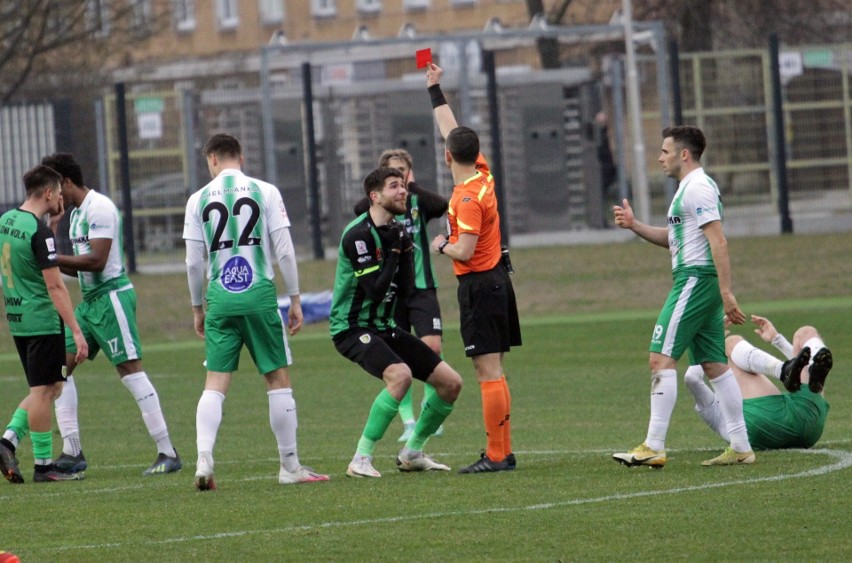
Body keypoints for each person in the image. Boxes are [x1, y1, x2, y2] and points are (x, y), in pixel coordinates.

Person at [184, 133, 329, 490]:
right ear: (241, 158)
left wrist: (197, 307)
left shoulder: (197, 199)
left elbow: (192, 263)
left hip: (219, 296)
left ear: (212, 159)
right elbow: (285, 251)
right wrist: (295, 299)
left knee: (215, 383)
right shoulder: (266, 191)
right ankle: (289, 465)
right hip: (259, 295)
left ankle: (204, 457)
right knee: (277, 379)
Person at [611, 126, 754, 468]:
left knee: (660, 358)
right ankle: (741, 445)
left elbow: (718, 241)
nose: (660, 157)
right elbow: (674, 238)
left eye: (665, 151)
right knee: (715, 366)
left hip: (695, 280)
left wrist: (725, 290)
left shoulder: (698, 188)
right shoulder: (687, 189)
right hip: (697, 280)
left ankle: (654, 445)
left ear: (684, 154)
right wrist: (635, 225)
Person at [41, 153, 181, 476]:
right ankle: (72, 451)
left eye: (52, 187)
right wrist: (49, 257)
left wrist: (50, 257)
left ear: (65, 182)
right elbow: (81, 270)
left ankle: (167, 451)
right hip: (90, 303)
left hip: (112, 298)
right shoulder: (75, 216)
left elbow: (98, 261)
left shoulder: (100, 207)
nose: (51, 195)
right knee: (59, 370)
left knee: (130, 372)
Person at [331, 166, 462, 478]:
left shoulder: (398, 233)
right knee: (400, 376)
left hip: (383, 327)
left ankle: (412, 452)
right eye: (394, 187)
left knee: (451, 383)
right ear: (375, 197)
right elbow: (375, 290)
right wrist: (393, 251)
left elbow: (404, 291)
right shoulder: (358, 235)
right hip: (351, 328)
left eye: (403, 186)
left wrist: (402, 250)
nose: (403, 191)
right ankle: (360, 459)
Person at [425, 63, 522, 473]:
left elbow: (464, 249)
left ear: (447, 156)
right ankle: (503, 451)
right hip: (497, 279)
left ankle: (498, 455)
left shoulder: (467, 197)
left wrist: (440, 244)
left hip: (480, 285)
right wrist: (435, 90)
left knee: (487, 370)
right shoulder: (484, 175)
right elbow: (452, 128)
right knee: (494, 369)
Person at [0, 165, 89, 483]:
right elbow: (55, 286)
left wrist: (51, 225)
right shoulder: (40, 234)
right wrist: (76, 331)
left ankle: (8, 441)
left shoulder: (7, 221)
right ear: (49, 193)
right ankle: (43, 466)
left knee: (52, 387)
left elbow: (23, 260)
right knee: (42, 392)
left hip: (18, 318)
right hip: (42, 320)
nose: (62, 198)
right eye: (59, 193)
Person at [353, 148, 448, 442]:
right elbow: (360, 207)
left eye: (403, 173)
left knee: (431, 346)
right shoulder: (376, 215)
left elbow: (443, 203)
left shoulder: (417, 200)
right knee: (399, 358)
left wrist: (410, 185)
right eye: (392, 176)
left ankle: (430, 409)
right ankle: (408, 421)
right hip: (391, 291)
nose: (401, 183)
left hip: (422, 287)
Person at [685, 315, 832, 450]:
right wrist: (712, 340)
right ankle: (789, 369)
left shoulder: (715, 412)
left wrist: (710, 342)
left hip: (762, 425)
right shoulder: (717, 412)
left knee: (804, 334)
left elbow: (692, 377)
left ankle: (787, 369)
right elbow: (692, 377)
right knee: (806, 333)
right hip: (809, 422)